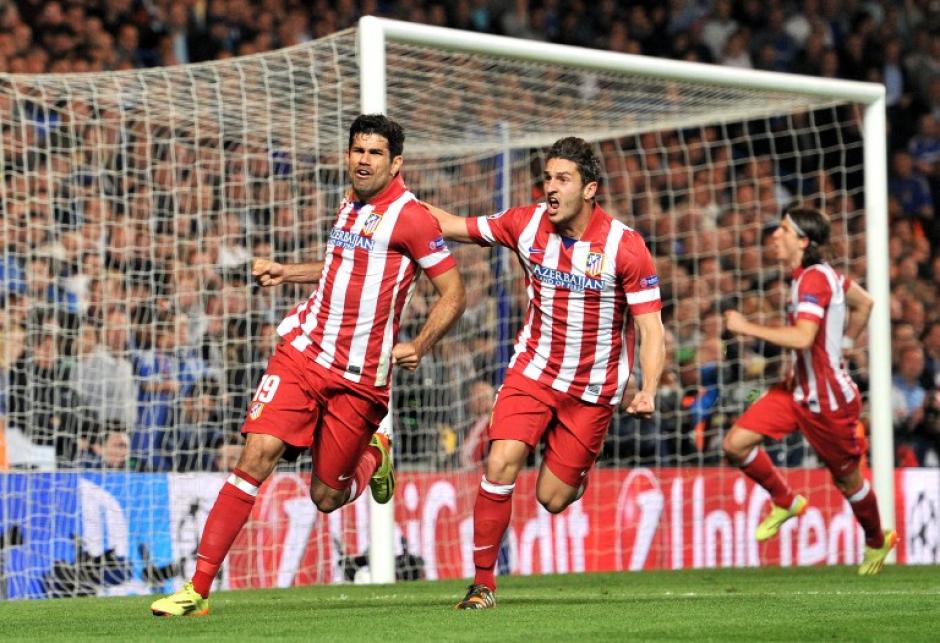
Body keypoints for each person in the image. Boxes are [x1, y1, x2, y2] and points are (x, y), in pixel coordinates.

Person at [150, 114, 466, 616]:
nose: (363, 160)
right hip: (303, 351)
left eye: (375, 153)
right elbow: (342, 267)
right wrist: (287, 272)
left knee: (325, 496)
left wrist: (422, 344)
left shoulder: (412, 219)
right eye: (357, 150)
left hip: (359, 376)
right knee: (256, 455)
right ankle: (198, 589)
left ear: (396, 163)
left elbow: (454, 293)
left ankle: (374, 455)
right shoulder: (350, 201)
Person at [425, 137, 665, 609]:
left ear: (590, 189)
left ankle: (578, 465)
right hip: (533, 372)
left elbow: (651, 329)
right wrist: (393, 203)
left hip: (592, 390)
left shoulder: (625, 247)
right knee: (499, 463)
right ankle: (482, 584)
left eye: (563, 179)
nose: (550, 188)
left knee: (553, 498)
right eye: (548, 178)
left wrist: (649, 388)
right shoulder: (526, 223)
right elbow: (454, 225)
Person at [722, 206, 897, 576]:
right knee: (735, 444)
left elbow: (803, 337)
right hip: (795, 390)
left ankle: (876, 540)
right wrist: (844, 343)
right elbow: (864, 303)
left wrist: (746, 327)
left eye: (784, 230)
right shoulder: (816, 275)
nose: (775, 234)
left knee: (848, 481)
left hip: (829, 403)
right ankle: (786, 501)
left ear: (803, 241)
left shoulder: (814, 280)